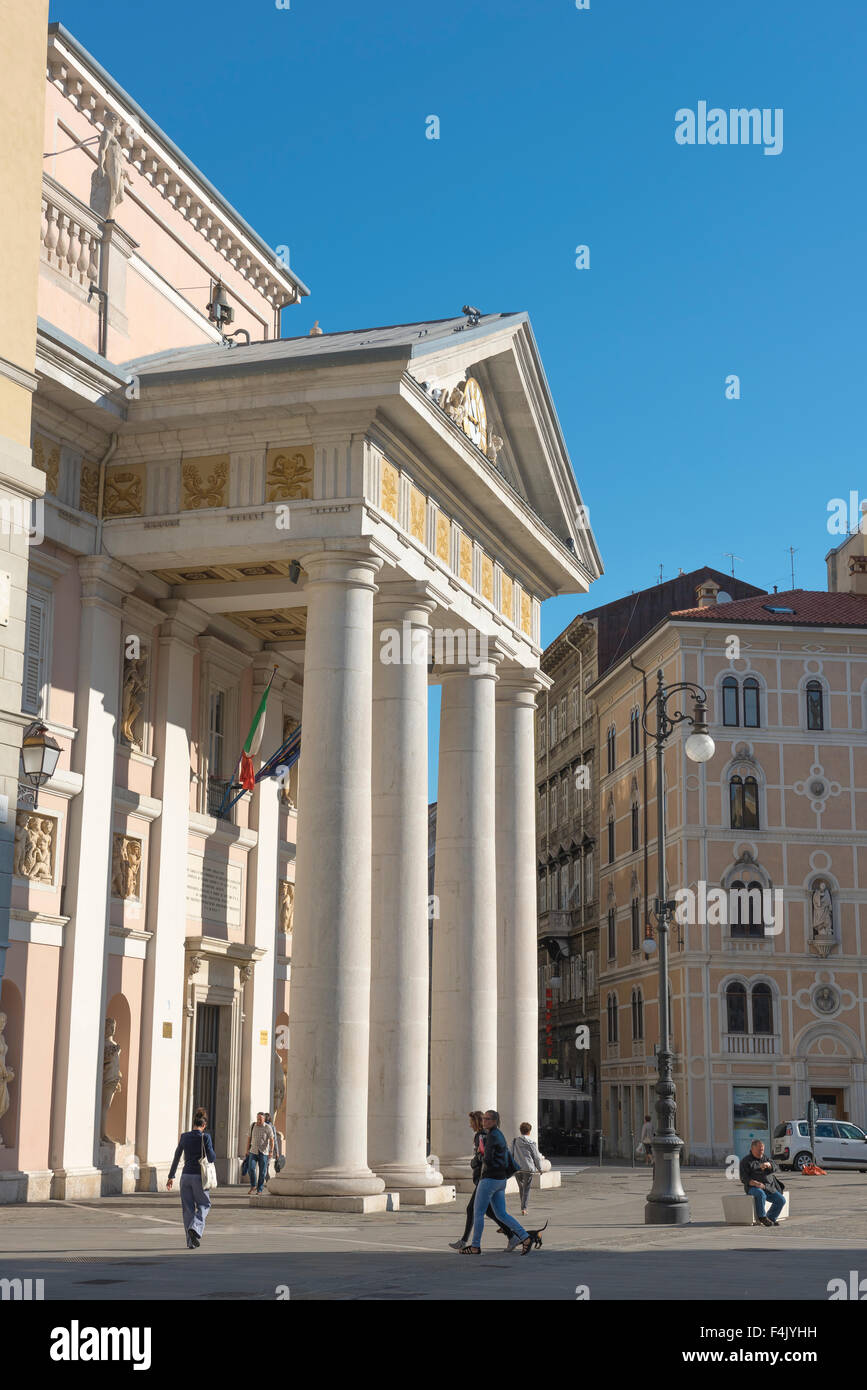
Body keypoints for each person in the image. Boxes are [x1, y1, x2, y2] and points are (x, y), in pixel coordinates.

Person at [461, 1110, 533, 1256]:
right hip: (500, 1180)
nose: (484, 1121)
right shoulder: (499, 1135)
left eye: (487, 1119)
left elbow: (487, 1159)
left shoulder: (492, 1136)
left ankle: (475, 1246)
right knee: (501, 1214)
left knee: (478, 1213)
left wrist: (478, 1158)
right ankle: (525, 1237)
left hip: (489, 1179)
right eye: (483, 1118)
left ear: (494, 1121)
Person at [449, 1111, 513, 1250]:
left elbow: (482, 1157)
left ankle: (466, 1242)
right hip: (489, 1177)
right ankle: (513, 1236)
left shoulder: (480, 1136)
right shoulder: (488, 1134)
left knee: (471, 1209)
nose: (470, 1125)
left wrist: (474, 1162)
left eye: (471, 1122)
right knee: (491, 1212)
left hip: (485, 1178)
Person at [166, 1107, 216, 1249]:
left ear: (193, 1123)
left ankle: (190, 1242)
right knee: (204, 1205)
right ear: (204, 1125)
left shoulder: (184, 1136)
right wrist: (208, 1146)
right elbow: (211, 1158)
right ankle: (195, 1227)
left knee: (187, 1209)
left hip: (185, 1176)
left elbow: (177, 1156)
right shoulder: (205, 1137)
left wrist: (171, 1176)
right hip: (199, 1177)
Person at [739, 1139, 786, 1226]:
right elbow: (743, 1178)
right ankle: (762, 1217)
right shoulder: (746, 1161)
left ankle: (771, 1218)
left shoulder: (765, 1158)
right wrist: (753, 1183)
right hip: (753, 1187)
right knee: (761, 1194)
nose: (761, 1152)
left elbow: (776, 1167)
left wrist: (769, 1165)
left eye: (762, 1150)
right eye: (759, 1150)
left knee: (781, 1200)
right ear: (752, 1149)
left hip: (767, 1187)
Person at [512, 1121, 543, 1216]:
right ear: (529, 1131)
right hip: (528, 1168)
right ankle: (524, 1208)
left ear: (520, 1131)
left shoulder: (515, 1141)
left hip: (517, 1168)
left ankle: (523, 1206)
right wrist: (540, 1168)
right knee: (526, 1188)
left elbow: (510, 1153)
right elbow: (536, 1156)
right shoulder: (531, 1142)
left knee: (521, 1188)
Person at [245, 1111, 273, 1195]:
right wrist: (247, 1150)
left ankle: (259, 1189)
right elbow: (249, 1138)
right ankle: (253, 1185)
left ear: (264, 1119)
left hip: (263, 1152)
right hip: (253, 1151)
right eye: (257, 1119)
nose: (258, 1121)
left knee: (262, 1172)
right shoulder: (253, 1126)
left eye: (260, 1119)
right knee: (251, 1168)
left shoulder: (268, 1127)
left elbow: (272, 1140)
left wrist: (271, 1151)